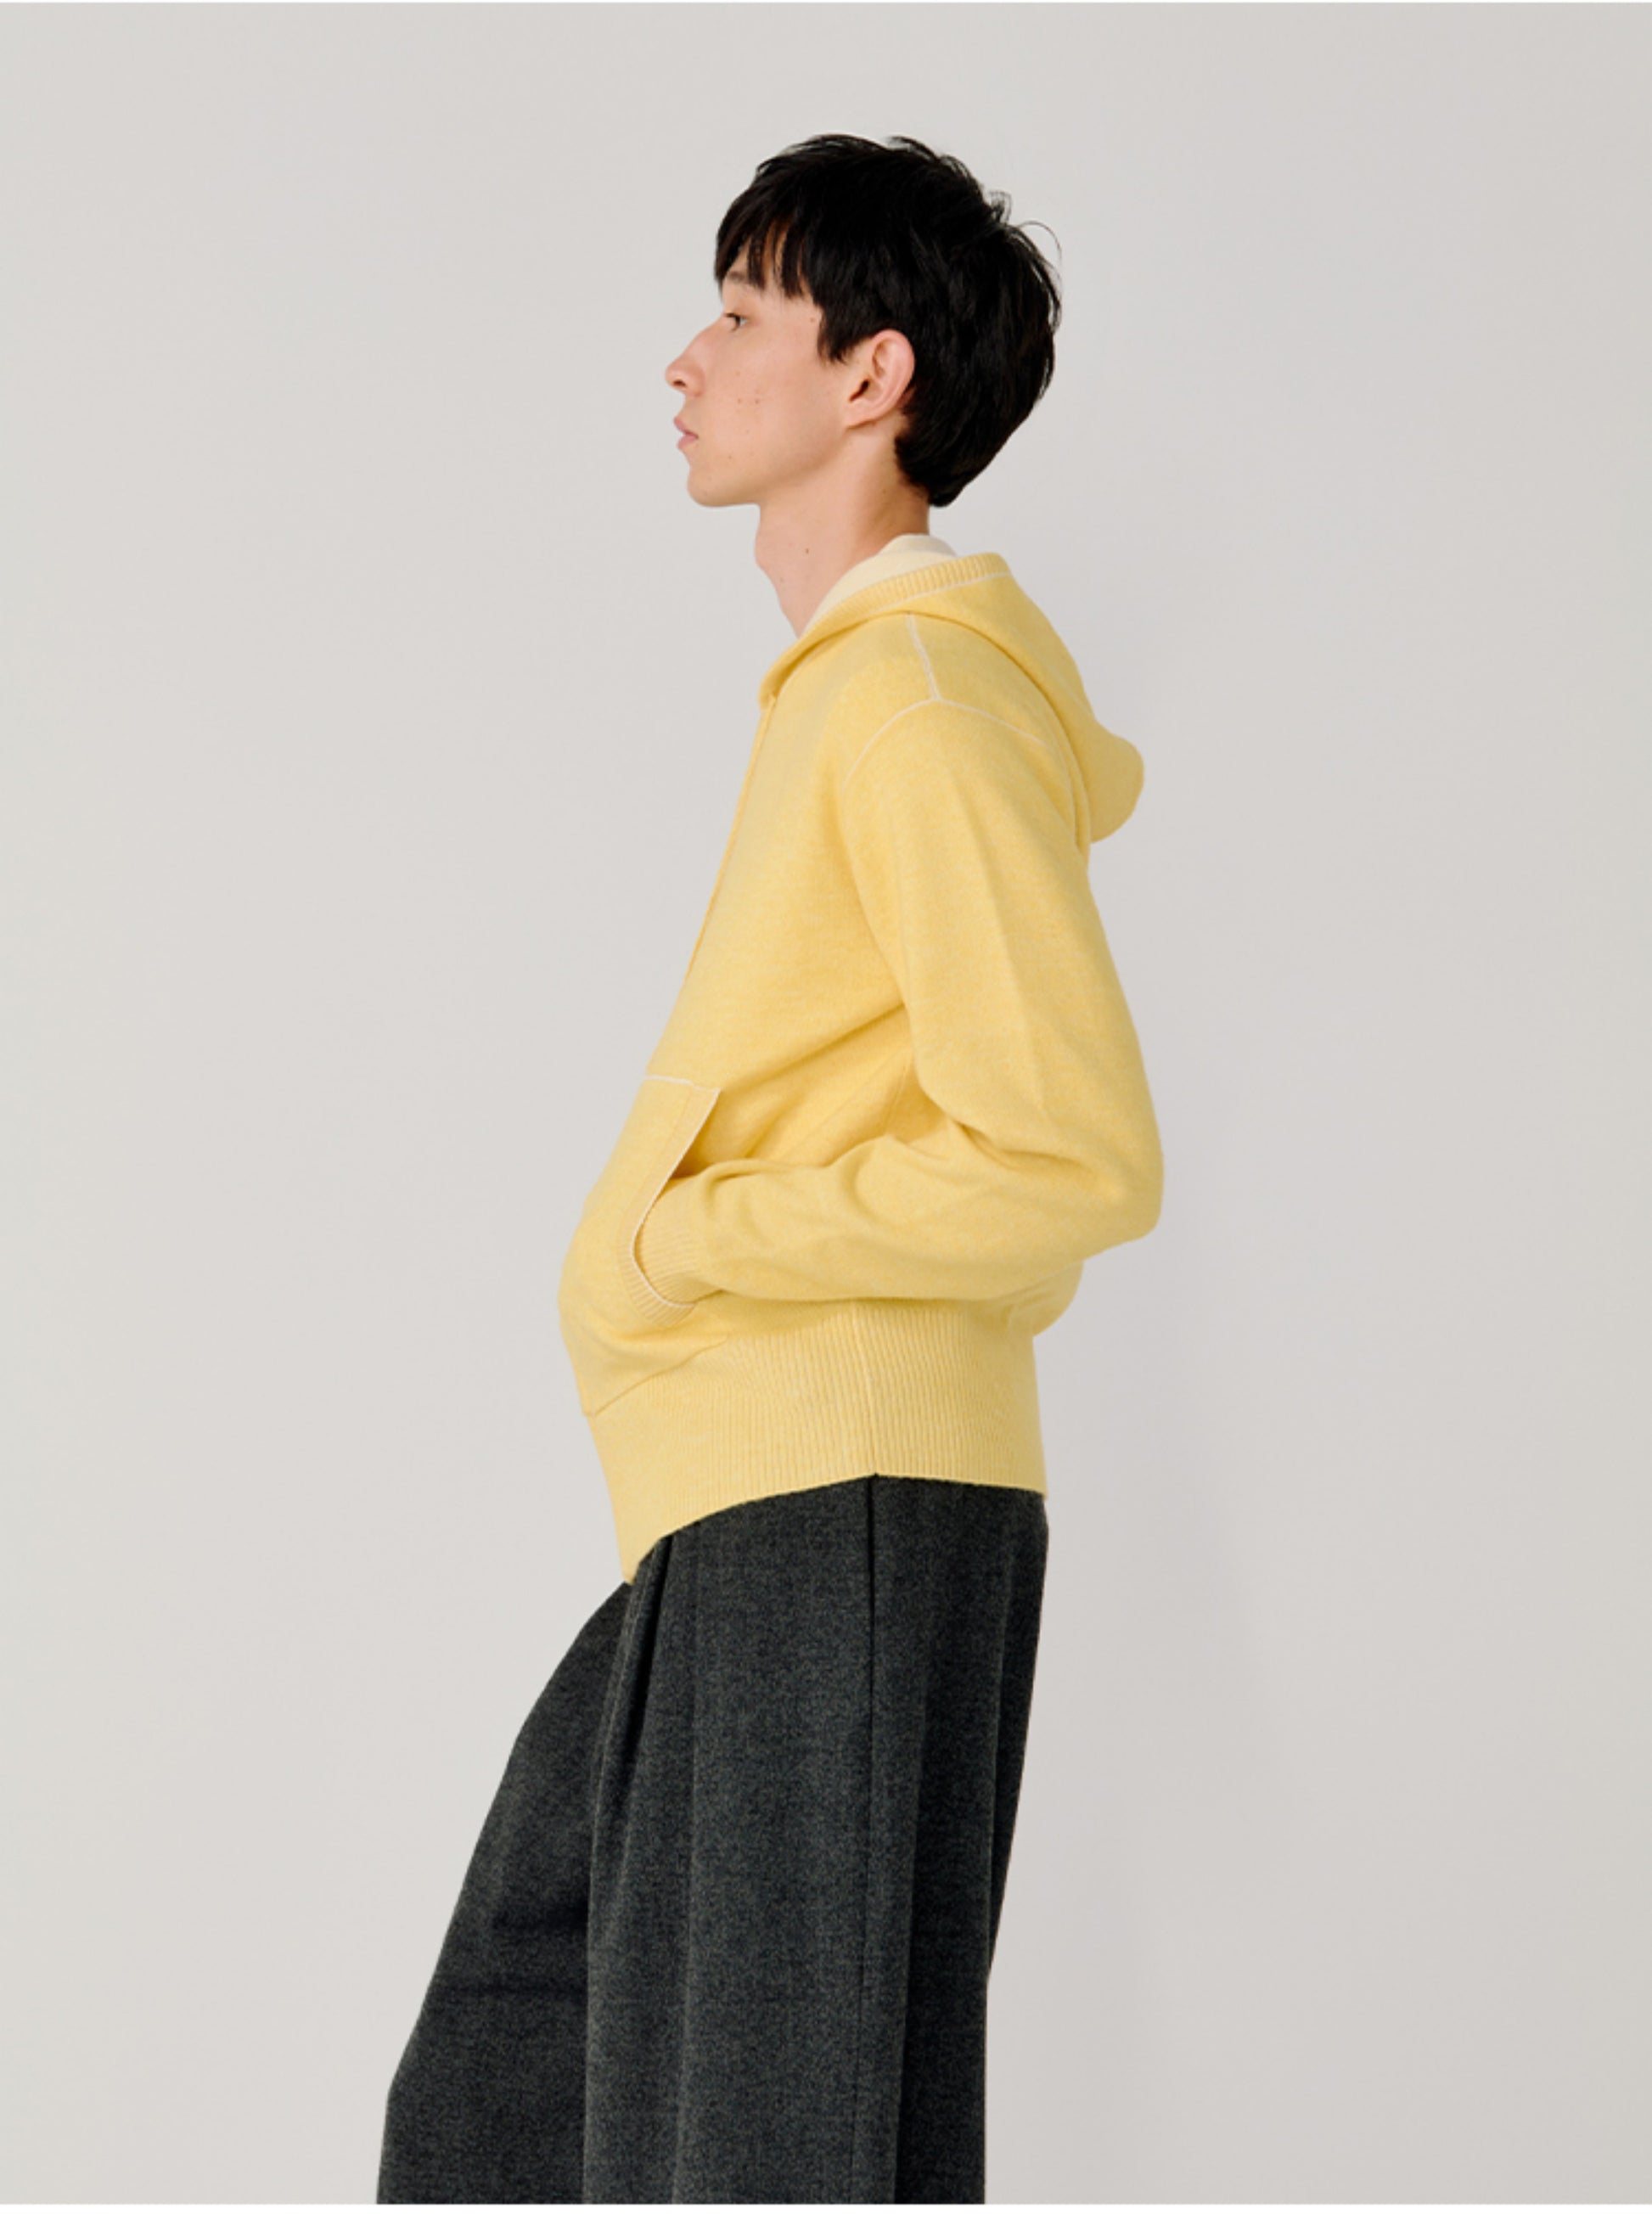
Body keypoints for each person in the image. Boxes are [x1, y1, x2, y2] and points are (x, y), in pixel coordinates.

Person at [376, 131, 1163, 2205]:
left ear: (869, 376)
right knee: (521, 2098)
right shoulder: (862, 696)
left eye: (741, 313)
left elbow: (1072, 1154)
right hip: (759, 1496)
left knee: (759, 2155)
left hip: (838, 1492)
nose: (686, 359)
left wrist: (698, 1236)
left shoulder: (914, 700)